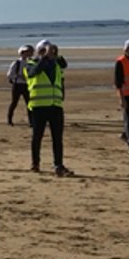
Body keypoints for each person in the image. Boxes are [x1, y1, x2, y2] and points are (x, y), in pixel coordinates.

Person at [26, 42, 73, 176]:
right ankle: (35, 163)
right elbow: (33, 73)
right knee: (37, 136)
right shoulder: (31, 62)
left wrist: (55, 54)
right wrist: (44, 58)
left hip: (55, 105)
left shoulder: (57, 63)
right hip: (38, 106)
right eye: (42, 50)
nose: (47, 52)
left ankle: (58, 164)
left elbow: (64, 64)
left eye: (48, 50)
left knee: (57, 138)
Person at [6, 45, 33, 127]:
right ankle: (9, 120)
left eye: (29, 52)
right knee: (14, 103)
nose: (27, 54)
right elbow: (10, 75)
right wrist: (19, 76)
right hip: (17, 85)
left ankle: (31, 121)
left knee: (29, 104)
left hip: (27, 85)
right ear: (21, 53)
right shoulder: (16, 63)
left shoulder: (31, 63)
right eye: (25, 52)